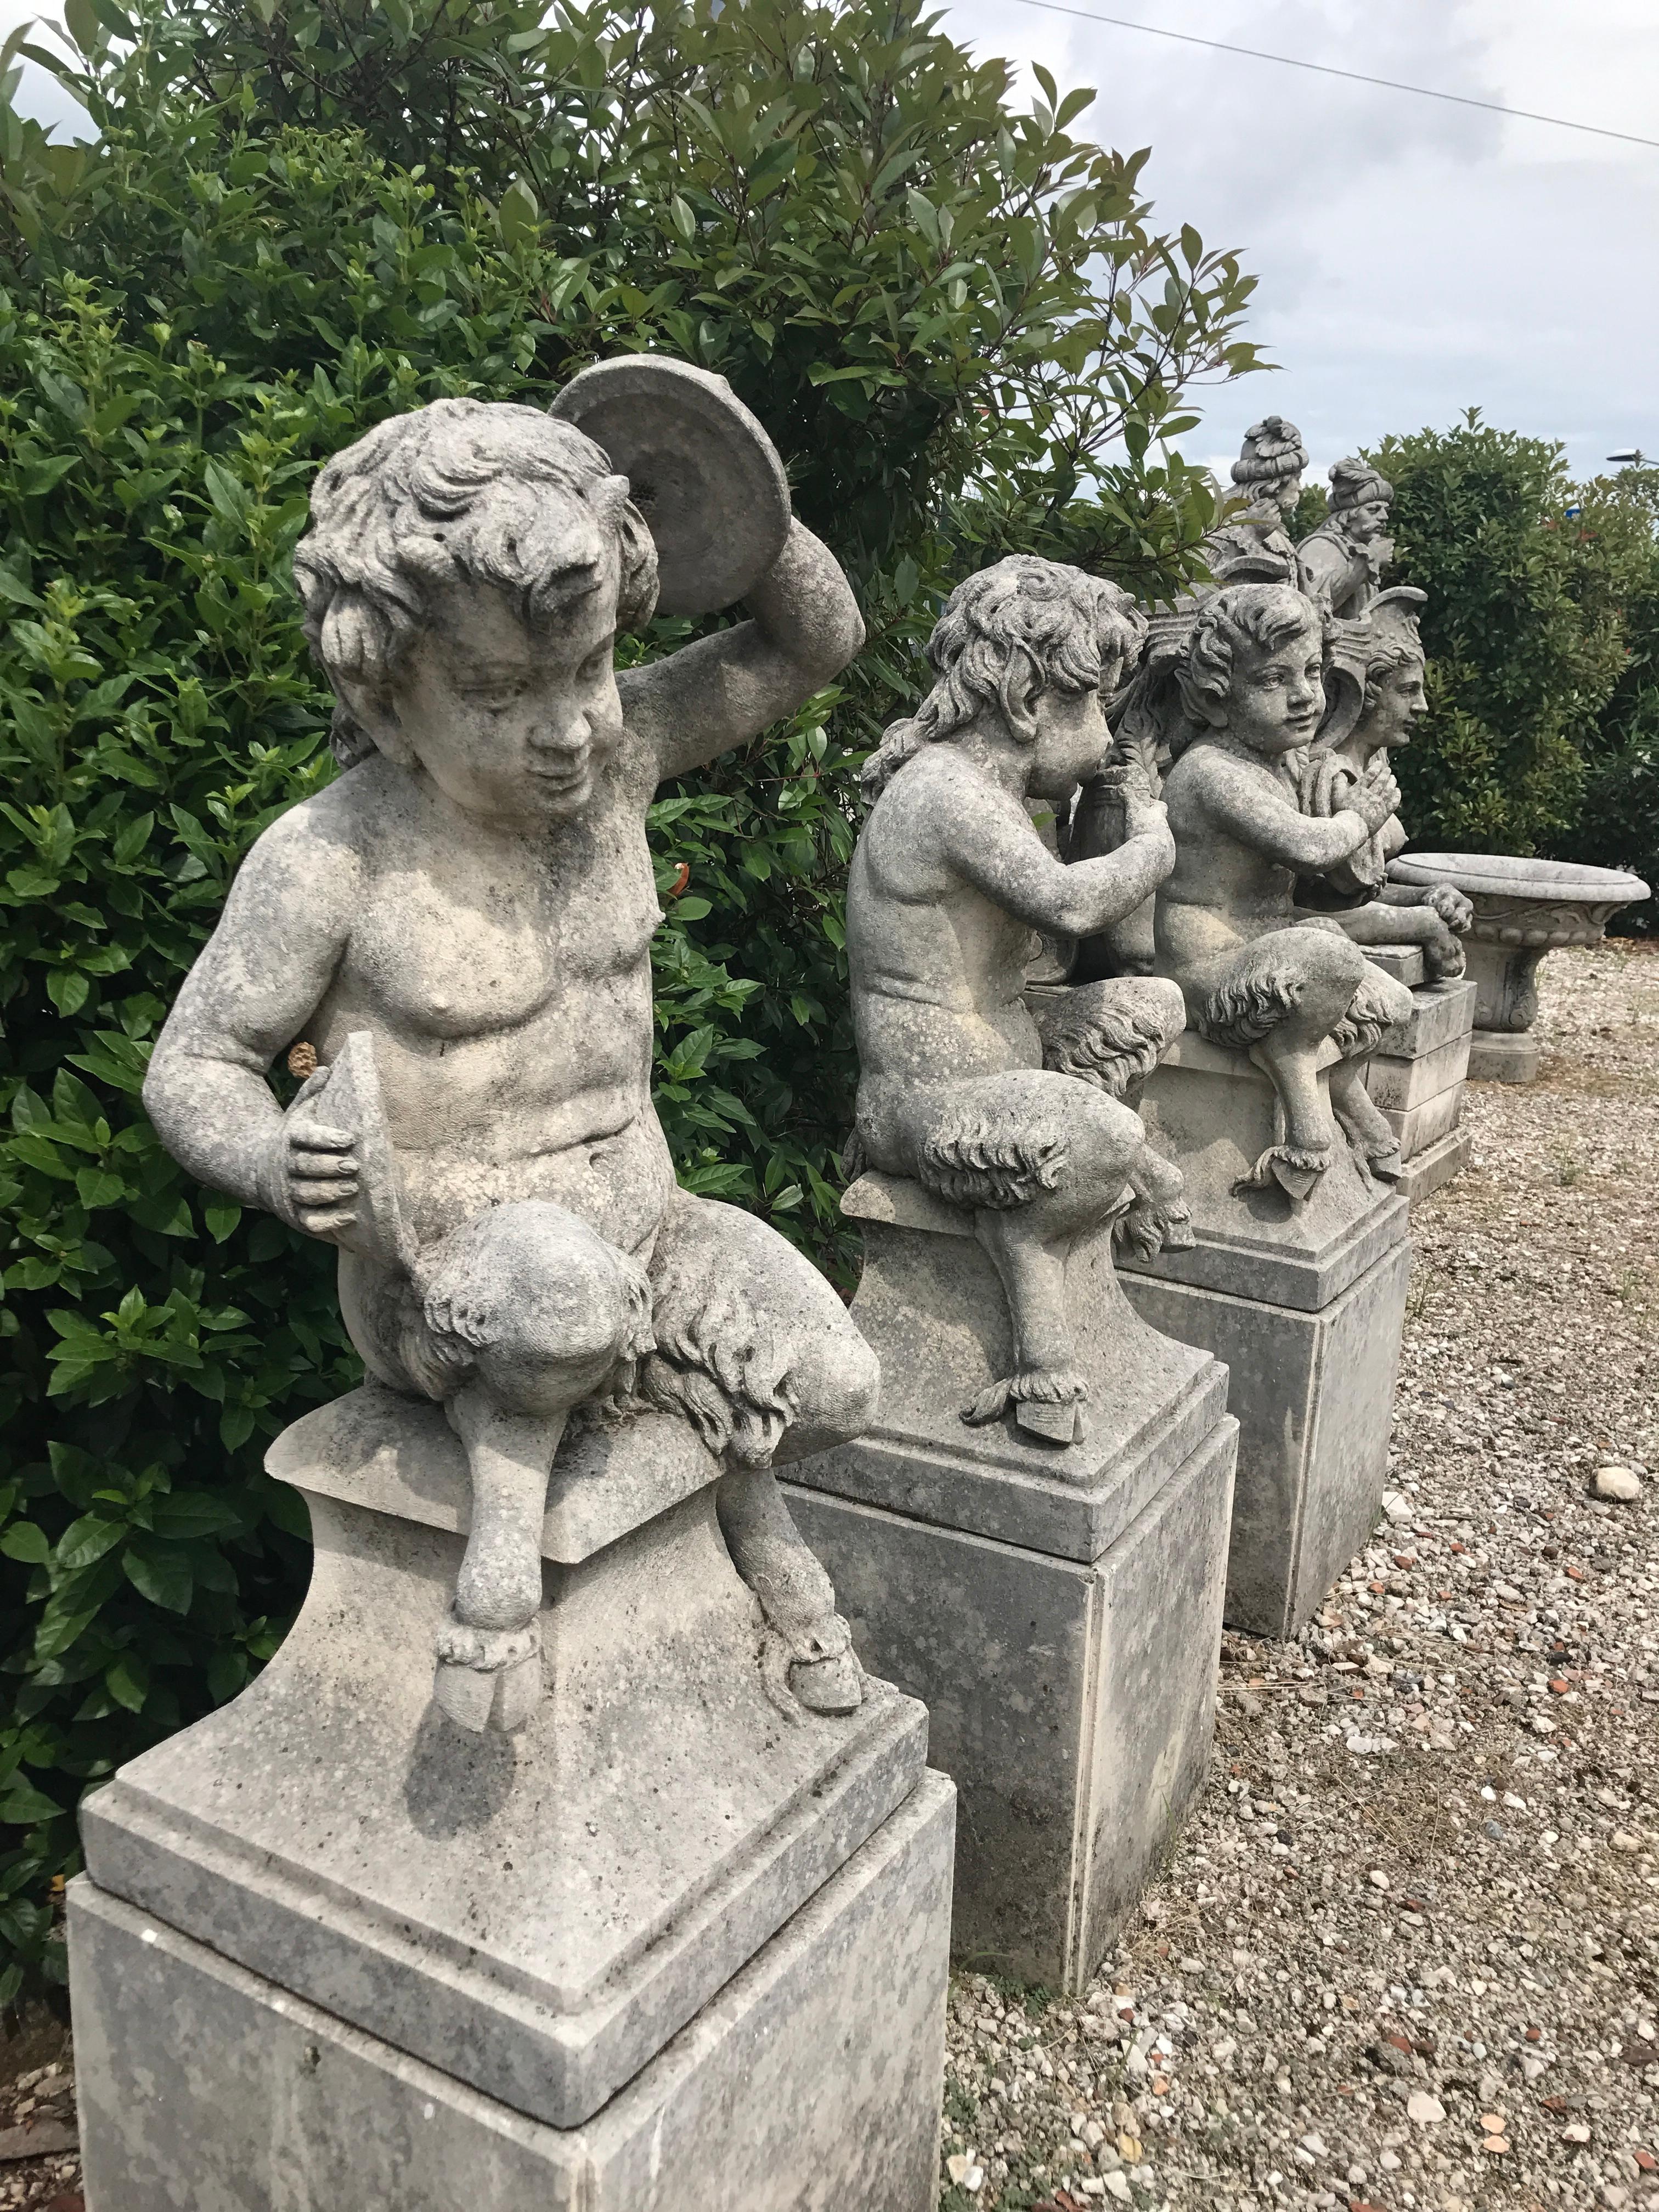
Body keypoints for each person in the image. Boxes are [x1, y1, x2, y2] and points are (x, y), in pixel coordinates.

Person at [143, 397, 878, 1729]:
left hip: (650, 1226)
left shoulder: (626, 758)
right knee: (553, 1301)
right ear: (383, 689)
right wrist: (276, 1162)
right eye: (497, 693)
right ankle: (505, 1541)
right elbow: (195, 1064)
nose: (567, 730)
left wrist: (719, 484)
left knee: (839, 1381)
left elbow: (817, 641)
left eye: (588, 669)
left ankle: (737, 1474)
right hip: (443, 1268)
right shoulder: (331, 858)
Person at [847, 555, 1189, 1448]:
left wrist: (1106, 813)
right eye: (1094, 707)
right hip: (926, 1102)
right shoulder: (947, 792)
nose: (1103, 732)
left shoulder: (995, 792)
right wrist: (1153, 843)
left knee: (1151, 1005)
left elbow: (1064, 945)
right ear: (1031, 701)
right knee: (1110, 1139)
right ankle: (1038, 1343)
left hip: (1006, 1058)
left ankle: (1093, 1196)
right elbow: (1073, 903)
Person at [1152, 582, 1415, 1201]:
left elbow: (1331, 879)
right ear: (1219, 695)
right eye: (1273, 680)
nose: (1304, 697)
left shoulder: (1279, 763)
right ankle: (1305, 1116)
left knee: (1387, 997)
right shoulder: (1211, 773)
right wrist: (1361, 816)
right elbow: (1311, 849)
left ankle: (1343, 1088)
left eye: (1314, 671)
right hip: (1207, 965)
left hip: (1267, 944)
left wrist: (1356, 822)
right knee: (1327, 957)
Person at [1295, 587, 1472, 974]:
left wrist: (1427, 896)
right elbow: (1305, 912)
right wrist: (1421, 922)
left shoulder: (1371, 768)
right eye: (1408, 690)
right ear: (1368, 694)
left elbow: (1360, 894)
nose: (1422, 705)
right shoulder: (1326, 778)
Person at [1201, 415, 1309, 589]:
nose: (1300, 488)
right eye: (1296, 478)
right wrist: (1251, 535)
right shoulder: (1223, 522)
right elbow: (1202, 590)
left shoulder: (1279, 536)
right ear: (1275, 482)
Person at [1297, 455, 1396, 619]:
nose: (1384, 517)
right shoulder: (1322, 546)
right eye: (1373, 510)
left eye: (1385, 511)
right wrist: (1369, 561)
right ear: (1348, 517)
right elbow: (1309, 605)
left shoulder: (1352, 548)